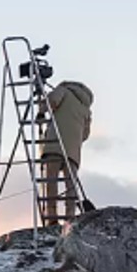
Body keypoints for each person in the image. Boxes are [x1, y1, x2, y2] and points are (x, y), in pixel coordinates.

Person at [39, 81, 93, 225]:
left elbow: (52, 102)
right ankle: (70, 217)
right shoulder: (86, 109)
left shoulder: (63, 90)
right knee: (70, 185)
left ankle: (52, 217)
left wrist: (42, 107)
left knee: (51, 182)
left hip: (54, 143)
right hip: (73, 152)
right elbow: (86, 134)